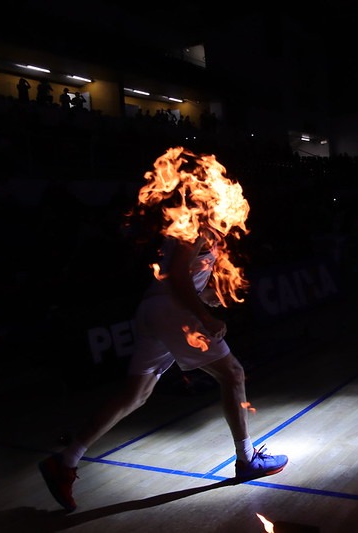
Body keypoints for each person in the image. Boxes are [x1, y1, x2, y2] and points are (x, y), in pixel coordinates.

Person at [38, 150, 288, 512]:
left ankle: (66, 460)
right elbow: (176, 278)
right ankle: (247, 459)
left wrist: (210, 297)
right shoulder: (195, 228)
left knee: (135, 395)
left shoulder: (209, 234)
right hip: (171, 310)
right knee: (232, 374)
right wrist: (204, 315)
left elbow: (190, 281)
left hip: (156, 311)